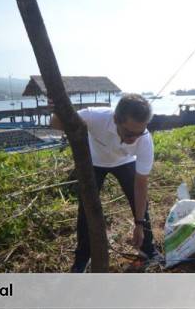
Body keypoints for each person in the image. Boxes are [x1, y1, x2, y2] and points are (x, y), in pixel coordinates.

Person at [50, 94, 158, 272]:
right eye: (129, 133)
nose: (134, 138)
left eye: (139, 133)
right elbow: (56, 124)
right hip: (95, 162)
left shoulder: (144, 139)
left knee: (140, 205)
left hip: (125, 161)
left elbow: (141, 184)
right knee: (86, 210)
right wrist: (57, 111)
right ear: (116, 119)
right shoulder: (95, 116)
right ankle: (81, 259)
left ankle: (149, 249)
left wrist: (138, 224)